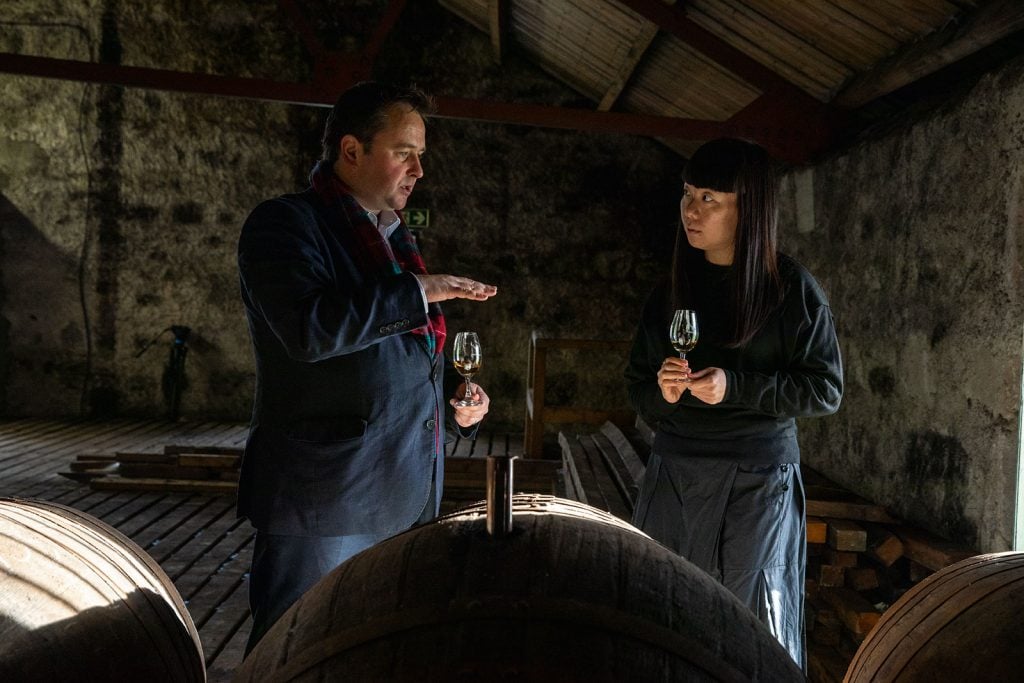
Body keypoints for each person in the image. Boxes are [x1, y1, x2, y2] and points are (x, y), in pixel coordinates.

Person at [236, 81, 497, 654]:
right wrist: (418, 291)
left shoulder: (390, 239)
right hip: (325, 496)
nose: (419, 170)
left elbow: (396, 353)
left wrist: (457, 397)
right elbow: (310, 330)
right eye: (405, 152)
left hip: (403, 490)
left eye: (421, 155)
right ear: (351, 151)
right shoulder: (285, 225)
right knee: (292, 648)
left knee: (373, 652)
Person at [624, 137, 842, 669]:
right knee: (665, 610)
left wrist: (736, 387)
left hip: (757, 479)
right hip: (677, 473)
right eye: (688, 195)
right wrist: (664, 392)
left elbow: (824, 389)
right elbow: (637, 386)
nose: (691, 212)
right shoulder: (672, 289)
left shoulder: (791, 291)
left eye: (710, 200)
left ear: (750, 209)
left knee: (748, 622)